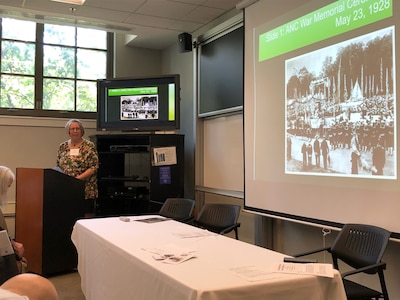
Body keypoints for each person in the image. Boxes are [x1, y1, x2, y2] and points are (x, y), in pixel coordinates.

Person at [56, 119, 99, 217]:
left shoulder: (89, 146)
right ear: (68, 131)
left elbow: (94, 167)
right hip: (67, 189)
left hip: (85, 189)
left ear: (81, 130)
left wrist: (77, 180)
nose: (75, 131)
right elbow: (58, 165)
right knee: (68, 217)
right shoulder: (62, 146)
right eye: (72, 129)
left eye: (77, 128)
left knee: (85, 218)